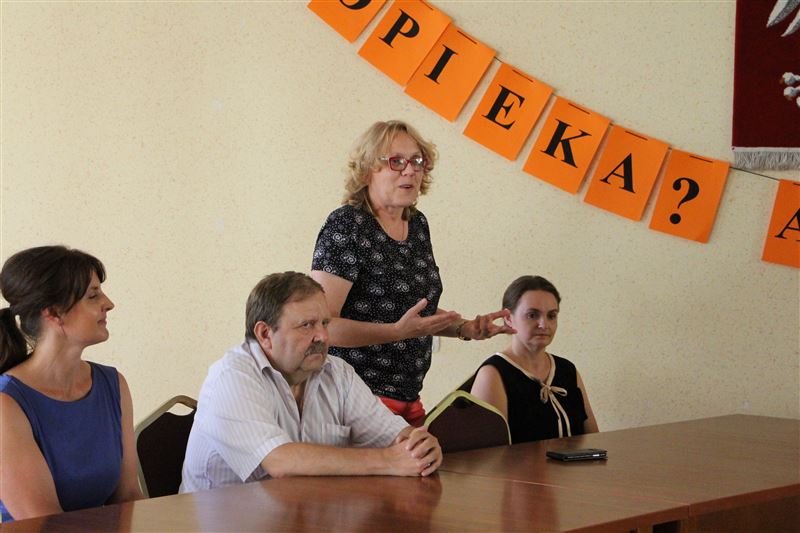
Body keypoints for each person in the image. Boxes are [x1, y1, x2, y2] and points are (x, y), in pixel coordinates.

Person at [310, 120, 514, 426]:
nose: (410, 171)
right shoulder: (347, 225)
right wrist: (395, 332)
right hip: (353, 399)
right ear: (366, 171)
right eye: (396, 161)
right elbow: (321, 326)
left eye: (417, 161)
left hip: (407, 398)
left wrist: (465, 328)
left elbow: (411, 313)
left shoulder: (417, 224)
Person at [180, 271, 442, 492]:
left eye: (324, 323)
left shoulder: (337, 372)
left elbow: (394, 437)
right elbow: (281, 462)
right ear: (265, 334)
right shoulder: (231, 377)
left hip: (303, 516)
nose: (323, 336)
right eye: (307, 325)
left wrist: (421, 447)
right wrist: (388, 461)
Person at [0, 245, 141, 522]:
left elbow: (128, 498)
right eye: (93, 295)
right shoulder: (6, 405)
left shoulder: (114, 384)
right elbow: (45, 524)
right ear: (54, 313)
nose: (109, 303)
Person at [470, 276, 598, 443]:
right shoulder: (492, 374)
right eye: (532, 315)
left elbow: (593, 439)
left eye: (551, 316)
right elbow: (487, 453)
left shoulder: (567, 370)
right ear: (508, 318)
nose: (544, 324)